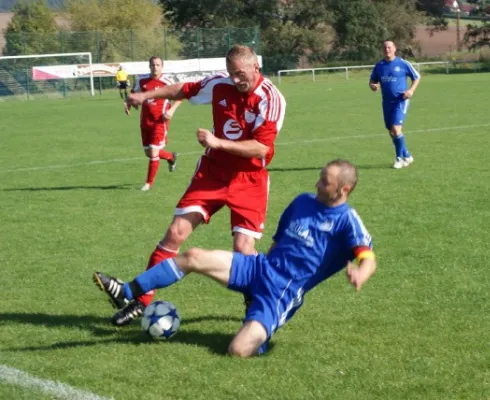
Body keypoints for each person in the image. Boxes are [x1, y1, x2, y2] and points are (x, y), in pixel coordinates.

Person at [93, 159, 376, 357]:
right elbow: (278, 241)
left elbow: (368, 257)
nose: (317, 184)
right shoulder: (302, 201)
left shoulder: (347, 221)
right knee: (193, 256)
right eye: (320, 177)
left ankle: (260, 336)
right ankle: (127, 290)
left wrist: (361, 274)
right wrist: (258, 271)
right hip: (259, 268)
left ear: (344, 190)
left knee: (238, 351)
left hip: (280, 293)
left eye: (324, 182)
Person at [107, 44, 286, 326]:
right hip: (213, 173)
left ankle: (256, 303)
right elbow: (184, 89)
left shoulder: (271, 98)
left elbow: (262, 148)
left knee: (244, 250)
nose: (236, 80)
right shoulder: (220, 84)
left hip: (249, 179)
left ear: (256, 68)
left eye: (240, 74)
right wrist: (145, 94)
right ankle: (140, 302)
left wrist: (218, 142)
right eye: (232, 74)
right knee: (175, 233)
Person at [125, 56, 182, 191]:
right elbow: (133, 94)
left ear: (162, 66)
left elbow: (181, 95)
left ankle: (148, 184)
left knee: (153, 151)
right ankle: (171, 157)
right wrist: (127, 103)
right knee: (149, 153)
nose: (155, 67)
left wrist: (172, 110)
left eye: (157, 65)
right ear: (149, 66)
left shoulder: (167, 81)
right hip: (145, 120)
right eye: (153, 65)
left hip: (160, 121)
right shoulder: (142, 80)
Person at [369, 40, 421, 169]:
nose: (387, 49)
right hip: (387, 102)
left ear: (395, 49)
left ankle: (399, 159)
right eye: (385, 47)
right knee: (391, 132)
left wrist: (411, 90)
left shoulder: (403, 63)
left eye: (389, 47)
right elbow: (372, 81)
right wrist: (373, 86)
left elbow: (417, 76)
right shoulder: (379, 66)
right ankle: (407, 155)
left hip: (401, 100)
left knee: (396, 128)